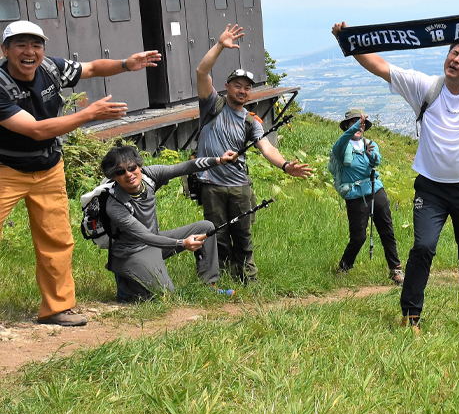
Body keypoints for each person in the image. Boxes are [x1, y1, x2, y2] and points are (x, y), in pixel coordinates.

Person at [332, 5, 459, 328]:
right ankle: (410, 315)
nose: (455, 59)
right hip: (430, 188)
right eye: (453, 53)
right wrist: (350, 42)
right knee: (423, 247)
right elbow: (381, 67)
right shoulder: (424, 87)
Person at [0, 20, 160, 326]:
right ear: (5, 50)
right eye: (20, 45)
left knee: (57, 239)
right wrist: (89, 114)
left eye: (36, 45)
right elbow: (36, 130)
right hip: (5, 169)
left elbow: (93, 68)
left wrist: (125, 64)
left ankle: (57, 308)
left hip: (48, 168)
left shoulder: (51, 68)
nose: (29, 52)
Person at [196, 24, 312, 283]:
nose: (242, 91)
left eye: (247, 88)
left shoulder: (251, 121)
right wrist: (220, 45)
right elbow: (202, 71)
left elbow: (267, 147)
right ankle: (222, 277)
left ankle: (249, 279)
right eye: (237, 85)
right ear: (226, 86)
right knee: (218, 234)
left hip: (240, 186)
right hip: (211, 184)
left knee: (243, 235)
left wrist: (285, 166)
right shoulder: (211, 105)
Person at [101, 146, 239, 300]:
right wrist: (182, 243)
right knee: (166, 295)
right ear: (114, 177)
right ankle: (127, 287)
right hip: (131, 253)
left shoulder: (149, 176)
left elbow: (186, 167)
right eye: (120, 172)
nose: (129, 174)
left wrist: (219, 160)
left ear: (139, 166)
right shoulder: (115, 205)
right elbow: (144, 236)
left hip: (155, 241)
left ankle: (209, 285)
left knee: (206, 227)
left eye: (132, 167)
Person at [332, 108, 404, 285]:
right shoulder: (342, 147)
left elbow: (376, 161)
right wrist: (355, 126)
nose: (359, 127)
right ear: (347, 126)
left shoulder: (370, 144)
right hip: (355, 195)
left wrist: (372, 156)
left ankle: (396, 269)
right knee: (359, 237)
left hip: (375, 189)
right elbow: (341, 141)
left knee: (387, 231)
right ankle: (344, 266)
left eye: (361, 124)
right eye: (354, 123)